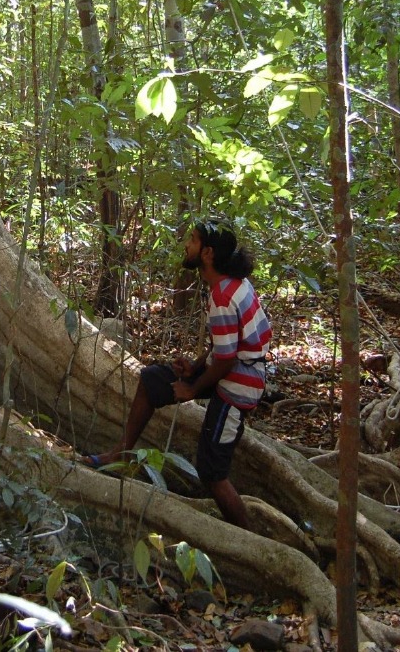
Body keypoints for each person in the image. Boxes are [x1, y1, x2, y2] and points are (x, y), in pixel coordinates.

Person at [83, 221, 272, 529]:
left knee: (212, 474)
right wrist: (195, 368)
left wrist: (193, 387)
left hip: (239, 385)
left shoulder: (224, 296)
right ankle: (123, 453)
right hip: (229, 371)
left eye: (193, 241)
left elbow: (226, 359)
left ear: (207, 253)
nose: (186, 244)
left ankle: (248, 540)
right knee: (151, 381)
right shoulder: (232, 284)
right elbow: (224, 348)